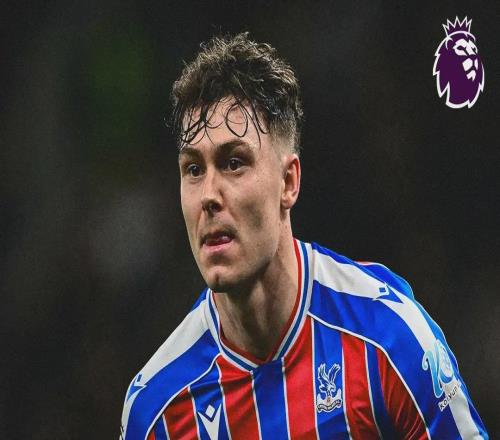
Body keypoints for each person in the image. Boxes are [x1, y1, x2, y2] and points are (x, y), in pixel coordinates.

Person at [120, 33, 488, 440]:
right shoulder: (157, 410)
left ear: (288, 182)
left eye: (234, 163)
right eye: (193, 169)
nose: (208, 195)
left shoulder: (387, 339)